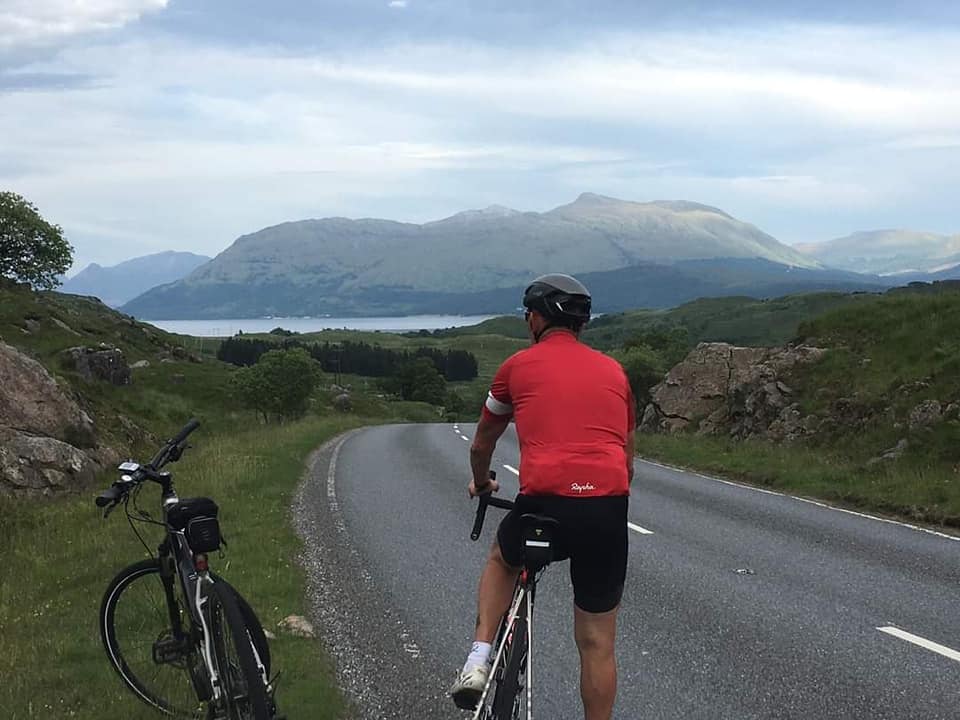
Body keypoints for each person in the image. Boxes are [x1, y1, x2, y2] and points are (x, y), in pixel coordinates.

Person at [450, 273, 635, 720]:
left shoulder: (516, 367)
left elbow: (482, 444)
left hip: (545, 502)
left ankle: (477, 661)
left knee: (501, 558)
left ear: (535, 319)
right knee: (596, 643)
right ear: (581, 324)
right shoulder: (615, 372)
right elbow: (627, 463)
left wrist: (482, 481)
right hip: (608, 508)